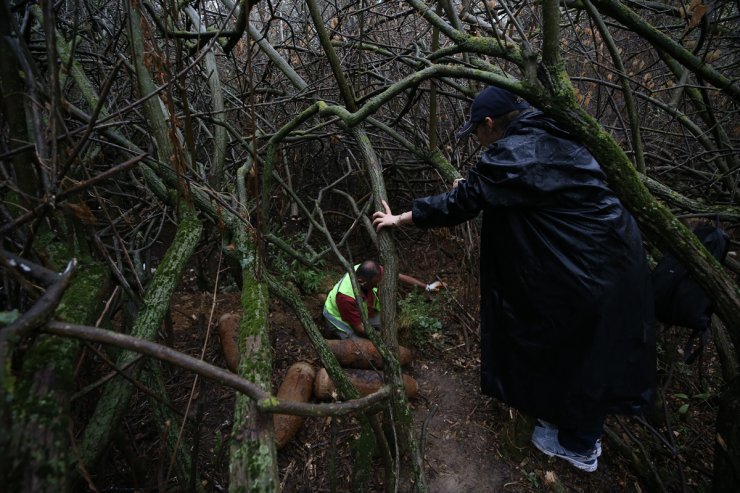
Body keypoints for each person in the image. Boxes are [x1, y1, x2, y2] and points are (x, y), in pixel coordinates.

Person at [372, 86, 655, 473]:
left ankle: (578, 446)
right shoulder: (558, 130)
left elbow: (463, 203)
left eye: (476, 132)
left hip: (591, 271)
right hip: (613, 255)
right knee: (585, 348)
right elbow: (520, 192)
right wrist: (477, 188)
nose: (477, 140)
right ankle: (572, 432)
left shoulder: (515, 153)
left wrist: (401, 218)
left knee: (579, 350)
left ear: (489, 124)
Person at [323, 259, 444, 339]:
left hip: (364, 310)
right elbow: (359, 328)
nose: (377, 285)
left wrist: (428, 287)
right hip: (340, 320)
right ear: (361, 282)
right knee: (364, 349)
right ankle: (334, 333)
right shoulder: (345, 297)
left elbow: (398, 276)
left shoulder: (368, 270)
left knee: (390, 325)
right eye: (375, 284)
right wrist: (382, 337)